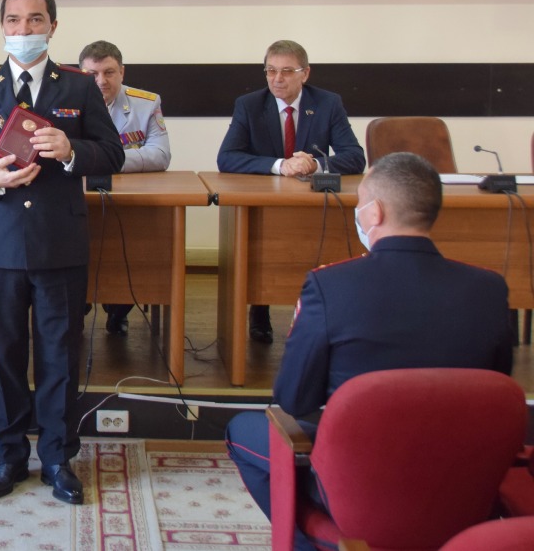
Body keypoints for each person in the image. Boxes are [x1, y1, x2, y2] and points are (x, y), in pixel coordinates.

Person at [224, 152, 511, 548]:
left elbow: (292, 399)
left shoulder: (330, 286)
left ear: (374, 212)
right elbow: (497, 387)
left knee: (242, 429)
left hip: (356, 489)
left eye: (359, 202)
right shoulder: (490, 290)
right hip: (462, 488)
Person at [0, 0, 123, 505]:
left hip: (58, 242)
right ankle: (9, 456)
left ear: (52, 26)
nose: (24, 29)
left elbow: (111, 153)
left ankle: (59, 458)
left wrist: (71, 150)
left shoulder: (79, 87)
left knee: (59, 354)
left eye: (35, 20)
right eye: (14, 20)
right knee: (5, 355)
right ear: (2, 26)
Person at [216, 39, 366, 344]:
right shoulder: (249, 105)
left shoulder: (328, 103)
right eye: (270, 71)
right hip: (264, 203)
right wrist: (280, 165)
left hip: (311, 204)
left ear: (305, 73)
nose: (277, 79)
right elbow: (227, 157)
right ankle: (259, 309)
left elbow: (355, 156)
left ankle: (327, 310)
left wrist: (315, 164)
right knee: (262, 248)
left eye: (286, 71)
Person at [79, 39, 171, 335]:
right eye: (92, 74)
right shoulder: (65, 103)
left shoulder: (146, 103)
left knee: (134, 249)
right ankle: (78, 308)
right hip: (79, 199)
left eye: (109, 72)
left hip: (130, 201)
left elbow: (161, 155)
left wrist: (102, 160)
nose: (101, 81)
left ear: (122, 72)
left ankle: (119, 311)